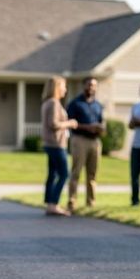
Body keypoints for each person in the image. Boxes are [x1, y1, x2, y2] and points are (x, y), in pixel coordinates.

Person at [66, 77, 106, 210]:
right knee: (76, 172)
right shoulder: (75, 104)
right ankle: (72, 201)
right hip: (79, 140)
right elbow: (70, 124)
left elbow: (101, 122)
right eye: (89, 85)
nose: (91, 87)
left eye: (94, 85)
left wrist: (100, 128)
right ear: (84, 86)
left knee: (92, 174)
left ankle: (91, 202)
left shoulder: (98, 105)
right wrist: (87, 127)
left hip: (95, 141)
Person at [41, 76, 78, 216]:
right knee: (64, 174)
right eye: (63, 86)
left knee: (52, 174)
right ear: (56, 87)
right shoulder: (53, 103)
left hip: (51, 143)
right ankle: (53, 204)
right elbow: (54, 124)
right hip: (56, 144)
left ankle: (49, 203)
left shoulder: (47, 102)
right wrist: (70, 123)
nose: (65, 89)